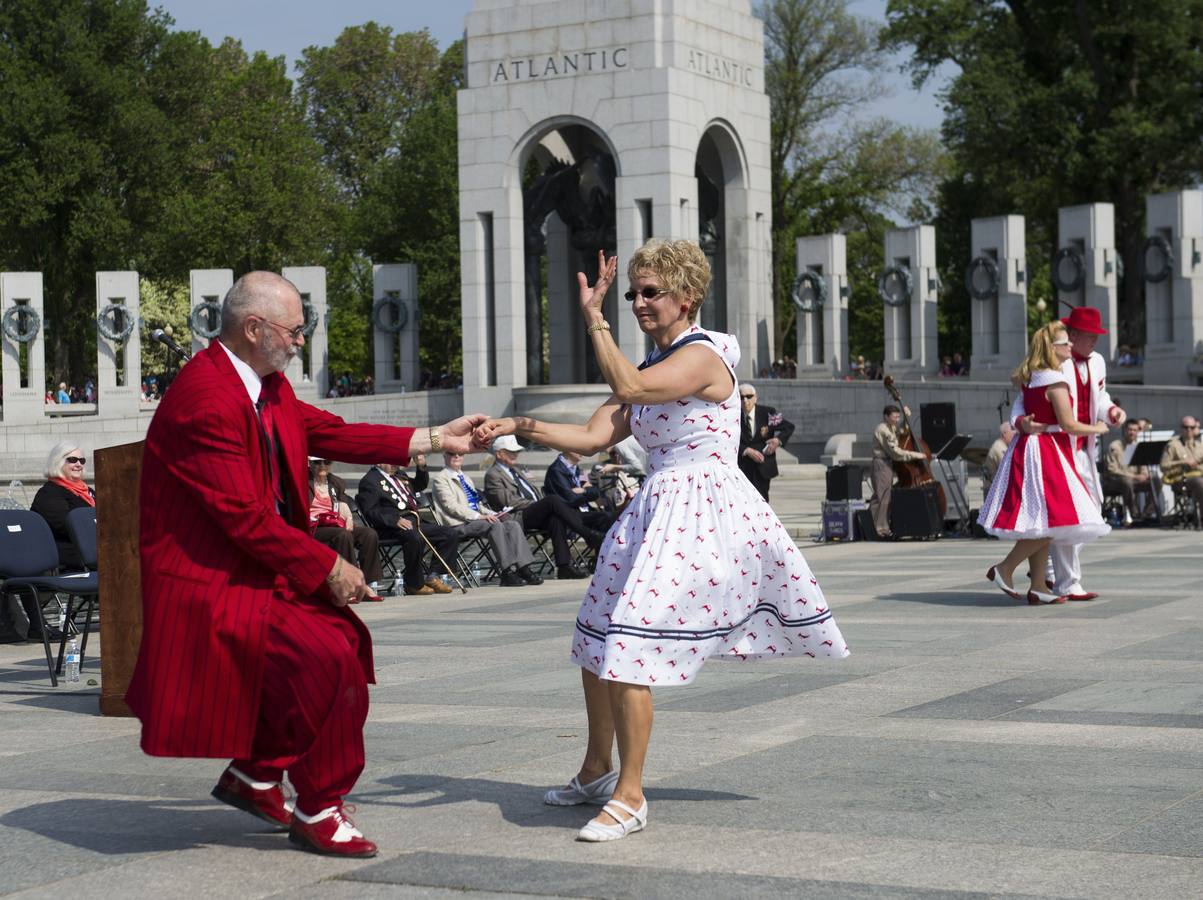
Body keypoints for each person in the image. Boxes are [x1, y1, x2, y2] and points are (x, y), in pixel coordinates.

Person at [475, 239, 848, 843]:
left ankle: (631, 793)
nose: (639, 303)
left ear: (687, 297)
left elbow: (628, 389)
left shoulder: (701, 357)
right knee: (595, 641)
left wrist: (594, 316)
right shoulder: (655, 364)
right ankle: (597, 771)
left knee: (628, 647)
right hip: (656, 510)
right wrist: (517, 425)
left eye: (651, 292)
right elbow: (595, 435)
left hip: (702, 511)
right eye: (633, 293)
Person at [125, 271, 487, 859]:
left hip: (254, 567)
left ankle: (257, 776)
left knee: (339, 644)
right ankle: (319, 808)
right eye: (294, 331)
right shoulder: (206, 399)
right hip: (213, 580)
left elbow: (328, 431)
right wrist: (328, 568)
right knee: (326, 660)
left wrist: (432, 437)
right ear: (253, 328)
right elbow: (244, 517)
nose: (301, 341)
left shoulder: (261, 384)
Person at [979, 322, 1110, 603]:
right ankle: (1006, 567)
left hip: (1031, 448)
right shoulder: (1054, 380)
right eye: (1065, 344)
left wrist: (1020, 422)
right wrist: (1098, 429)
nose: (1070, 347)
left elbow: (1021, 406)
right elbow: (1069, 424)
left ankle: (1039, 585)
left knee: (1041, 518)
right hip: (1048, 450)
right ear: (1052, 348)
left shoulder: (1032, 376)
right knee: (1058, 517)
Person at [1010, 306, 1123, 601]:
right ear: (1071, 335)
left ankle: (1048, 571)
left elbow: (1101, 396)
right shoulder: (1053, 362)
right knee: (1066, 516)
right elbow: (1023, 401)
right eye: (1089, 336)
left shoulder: (1097, 362)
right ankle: (1065, 581)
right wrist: (1020, 422)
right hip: (1057, 449)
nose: (1094, 342)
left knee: (1091, 511)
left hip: (1083, 449)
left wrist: (1111, 412)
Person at [483, 436, 596, 580]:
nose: (515, 454)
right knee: (552, 501)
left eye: (516, 451)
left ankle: (564, 567)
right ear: (499, 454)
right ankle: (587, 534)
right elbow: (507, 501)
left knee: (556, 518)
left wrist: (539, 504)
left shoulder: (516, 470)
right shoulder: (493, 475)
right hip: (516, 516)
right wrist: (537, 504)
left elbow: (532, 491)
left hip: (532, 513)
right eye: (511, 451)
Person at [429, 451, 544, 586]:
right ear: (445, 456)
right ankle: (507, 572)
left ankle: (523, 568)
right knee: (494, 525)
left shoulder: (465, 477)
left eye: (460, 454)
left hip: (476, 520)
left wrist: (493, 514)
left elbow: (478, 505)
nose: (456, 456)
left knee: (511, 524)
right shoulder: (441, 479)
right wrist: (479, 516)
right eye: (452, 454)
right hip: (458, 523)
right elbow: (451, 507)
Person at [356, 458, 457, 596]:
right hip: (390, 526)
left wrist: (421, 466)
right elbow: (370, 510)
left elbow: (419, 485)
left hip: (414, 520)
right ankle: (414, 584)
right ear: (379, 461)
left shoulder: (399, 475)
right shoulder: (370, 481)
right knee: (414, 537)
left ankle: (433, 576)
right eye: (391, 460)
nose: (396, 464)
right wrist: (394, 520)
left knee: (449, 533)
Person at [307, 459, 382, 602]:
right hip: (313, 528)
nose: (322, 466)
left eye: (327, 462)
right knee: (343, 535)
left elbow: (343, 502)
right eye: (317, 463)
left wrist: (345, 510)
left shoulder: (336, 482)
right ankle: (351, 586)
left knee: (369, 534)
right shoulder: (302, 481)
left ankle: (369, 583)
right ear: (310, 464)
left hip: (335, 524)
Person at [31, 442, 94, 571]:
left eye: (82, 461)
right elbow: (67, 526)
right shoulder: (49, 493)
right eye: (72, 460)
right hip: (69, 556)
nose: (78, 464)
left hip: (94, 548)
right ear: (57, 462)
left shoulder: (89, 491)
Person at [869, 404, 926, 539]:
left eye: (898, 417)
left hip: (887, 464)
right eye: (895, 417)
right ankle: (878, 529)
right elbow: (896, 453)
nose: (897, 419)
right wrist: (917, 455)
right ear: (886, 417)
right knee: (882, 497)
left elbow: (902, 430)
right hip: (881, 464)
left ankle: (881, 527)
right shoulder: (883, 430)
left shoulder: (891, 427)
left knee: (885, 496)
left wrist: (906, 418)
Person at [736, 385, 795, 501]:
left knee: (762, 501)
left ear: (755, 398)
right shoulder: (733, 416)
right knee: (743, 501)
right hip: (742, 467)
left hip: (763, 467)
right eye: (741, 397)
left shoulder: (768, 414)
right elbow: (726, 439)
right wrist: (746, 450)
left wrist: (778, 440)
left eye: (749, 397)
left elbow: (788, 427)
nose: (745, 400)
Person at [542, 449, 616, 534]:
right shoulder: (556, 470)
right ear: (568, 450)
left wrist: (584, 491)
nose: (583, 452)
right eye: (578, 449)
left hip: (582, 510)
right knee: (607, 517)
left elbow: (595, 492)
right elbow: (571, 499)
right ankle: (601, 544)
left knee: (610, 517)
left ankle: (601, 544)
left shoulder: (575, 468)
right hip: (569, 515)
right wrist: (588, 492)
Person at [1104, 420, 1156, 523]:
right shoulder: (1115, 446)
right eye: (1130, 430)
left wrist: (1144, 474)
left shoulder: (1139, 447)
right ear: (1124, 431)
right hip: (1115, 481)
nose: (1132, 432)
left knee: (1156, 480)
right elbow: (1112, 469)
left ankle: (1147, 513)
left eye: (1135, 430)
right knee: (1127, 482)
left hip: (1135, 480)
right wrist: (1134, 476)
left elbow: (1143, 466)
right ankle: (1134, 514)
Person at [1160, 416, 1203, 510]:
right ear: (1181, 428)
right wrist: (1183, 462)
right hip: (1180, 480)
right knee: (1200, 482)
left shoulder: (1200, 446)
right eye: (1186, 427)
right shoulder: (1173, 445)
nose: (1189, 430)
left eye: (1192, 427)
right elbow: (1163, 466)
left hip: (1198, 475)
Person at [981, 422, 1015, 496]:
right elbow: (1008, 469)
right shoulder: (999, 448)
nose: (1014, 434)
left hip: (997, 489)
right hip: (994, 491)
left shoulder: (1003, 446)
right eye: (1012, 431)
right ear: (1004, 434)